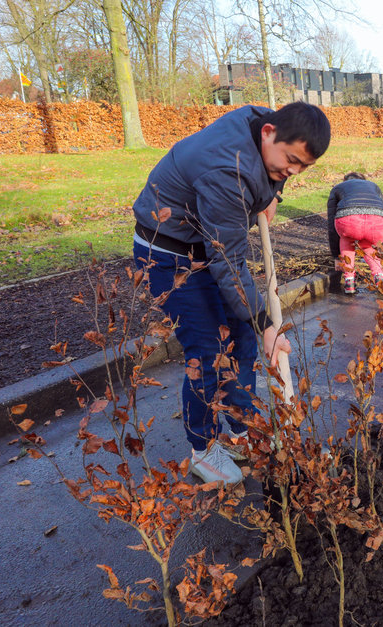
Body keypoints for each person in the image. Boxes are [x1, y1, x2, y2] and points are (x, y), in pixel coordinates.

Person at [132, 102, 330, 485]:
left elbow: (277, 168)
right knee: (207, 351)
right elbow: (229, 262)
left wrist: (273, 192)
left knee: (241, 340)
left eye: (302, 167)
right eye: (290, 161)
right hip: (169, 253)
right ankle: (203, 449)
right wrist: (266, 325)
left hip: (207, 242)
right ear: (269, 132)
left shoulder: (266, 124)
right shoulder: (227, 170)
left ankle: (243, 431)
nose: (292, 171)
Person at [326, 172, 383, 294]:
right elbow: (382, 208)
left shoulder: (337, 188)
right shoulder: (373, 185)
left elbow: (331, 225)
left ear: (344, 180)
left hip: (350, 222)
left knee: (346, 240)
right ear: (364, 180)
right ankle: (379, 279)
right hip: (379, 223)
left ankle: (349, 282)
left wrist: (336, 256)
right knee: (366, 245)